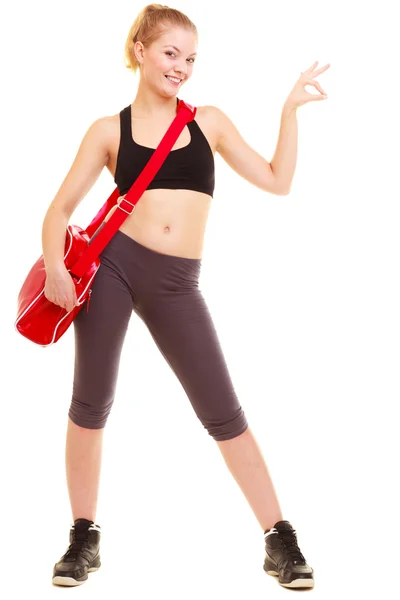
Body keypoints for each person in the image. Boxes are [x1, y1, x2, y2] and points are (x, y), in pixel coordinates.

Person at [43, 3, 329, 590]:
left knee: (223, 411)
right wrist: (54, 268)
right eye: (171, 53)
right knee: (90, 403)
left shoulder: (210, 122)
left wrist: (289, 111)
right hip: (113, 268)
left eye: (191, 58)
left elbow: (278, 181)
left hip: (177, 284)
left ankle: (279, 537)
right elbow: (58, 211)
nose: (182, 67)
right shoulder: (107, 131)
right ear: (140, 51)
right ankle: (82, 537)